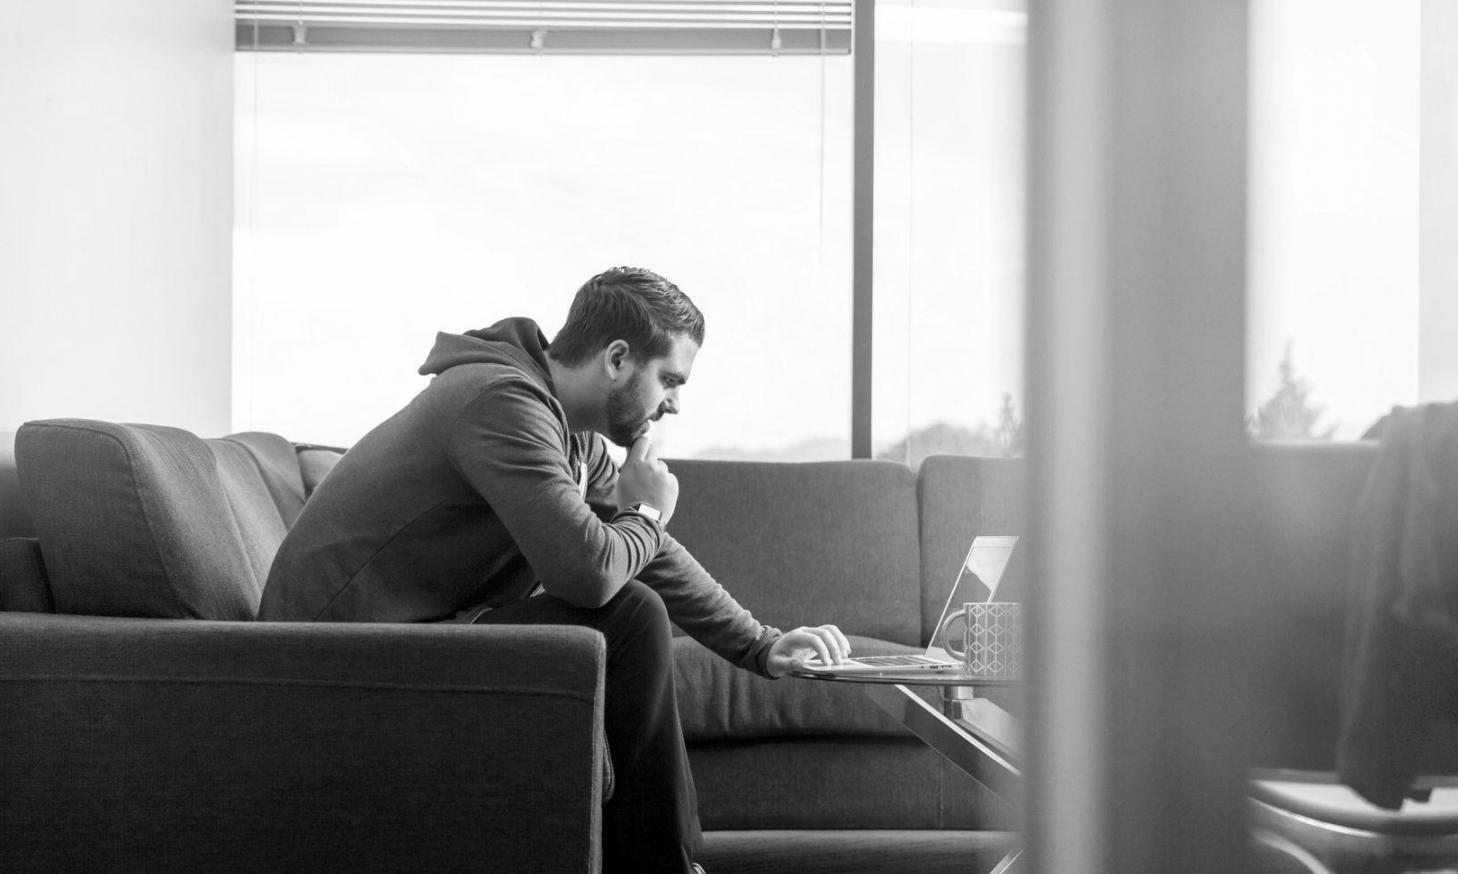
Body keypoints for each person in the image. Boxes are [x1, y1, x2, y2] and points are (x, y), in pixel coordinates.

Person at [258, 266, 851, 874]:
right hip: (326, 662)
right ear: (617, 359)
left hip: (413, 635)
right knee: (625, 615)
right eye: (669, 379)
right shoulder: (501, 402)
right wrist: (645, 512)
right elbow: (589, 573)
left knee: (632, 604)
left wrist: (762, 644)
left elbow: (652, 559)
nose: (675, 403)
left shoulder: (568, 433)